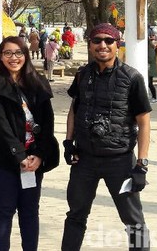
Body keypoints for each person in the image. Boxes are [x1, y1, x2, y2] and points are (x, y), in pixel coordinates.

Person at [62, 23, 151, 251]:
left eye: (109, 41)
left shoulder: (132, 78)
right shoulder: (82, 75)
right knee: (75, 215)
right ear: (90, 45)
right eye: (97, 40)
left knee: (134, 220)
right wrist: (68, 141)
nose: (103, 45)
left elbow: (144, 121)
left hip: (119, 161)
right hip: (85, 160)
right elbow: (74, 107)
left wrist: (141, 164)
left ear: (117, 44)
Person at [0, 36, 59, 251]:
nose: (13, 58)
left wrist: (40, 155)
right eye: (7, 53)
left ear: (26, 55)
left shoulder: (38, 81)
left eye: (18, 53)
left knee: (29, 209)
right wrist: (19, 156)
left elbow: (47, 122)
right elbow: (0, 124)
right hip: (2, 158)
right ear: (0, 56)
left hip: (34, 158)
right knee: (5, 207)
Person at [147, 35, 157, 104]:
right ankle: (154, 97)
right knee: (149, 83)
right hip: (150, 67)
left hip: (150, 68)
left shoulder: (150, 48)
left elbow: (150, 58)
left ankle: (154, 97)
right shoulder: (150, 47)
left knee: (150, 83)